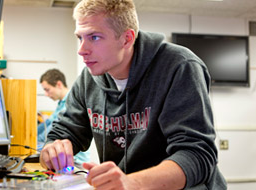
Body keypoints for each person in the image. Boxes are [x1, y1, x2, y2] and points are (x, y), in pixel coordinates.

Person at [40, 0, 227, 189]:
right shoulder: (88, 79)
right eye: (80, 38)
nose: (82, 50)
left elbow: (197, 155)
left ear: (127, 38)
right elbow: (65, 132)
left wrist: (133, 182)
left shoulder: (179, 67)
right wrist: (53, 148)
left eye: (94, 37)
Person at [37, 68, 90, 165]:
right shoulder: (61, 103)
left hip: (75, 161)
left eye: (47, 89)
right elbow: (49, 123)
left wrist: (37, 142)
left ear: (59, 84)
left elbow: (49, 133)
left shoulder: (71, 103)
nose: (46, 94)